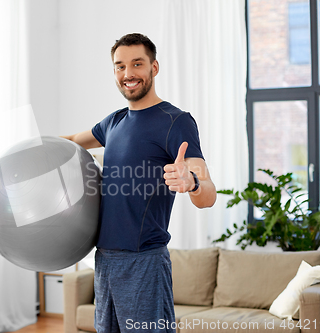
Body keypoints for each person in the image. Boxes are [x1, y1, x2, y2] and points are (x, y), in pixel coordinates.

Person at [61, 33, 216, 332]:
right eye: (120, 66)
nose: (128, 74)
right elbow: (70, 142)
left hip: (144, 261)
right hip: (105, 259)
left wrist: (192, 182)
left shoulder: (176, 121)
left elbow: (208, 194)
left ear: (154, 68)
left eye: (137, 64)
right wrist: (21, 152)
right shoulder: (113, 122)